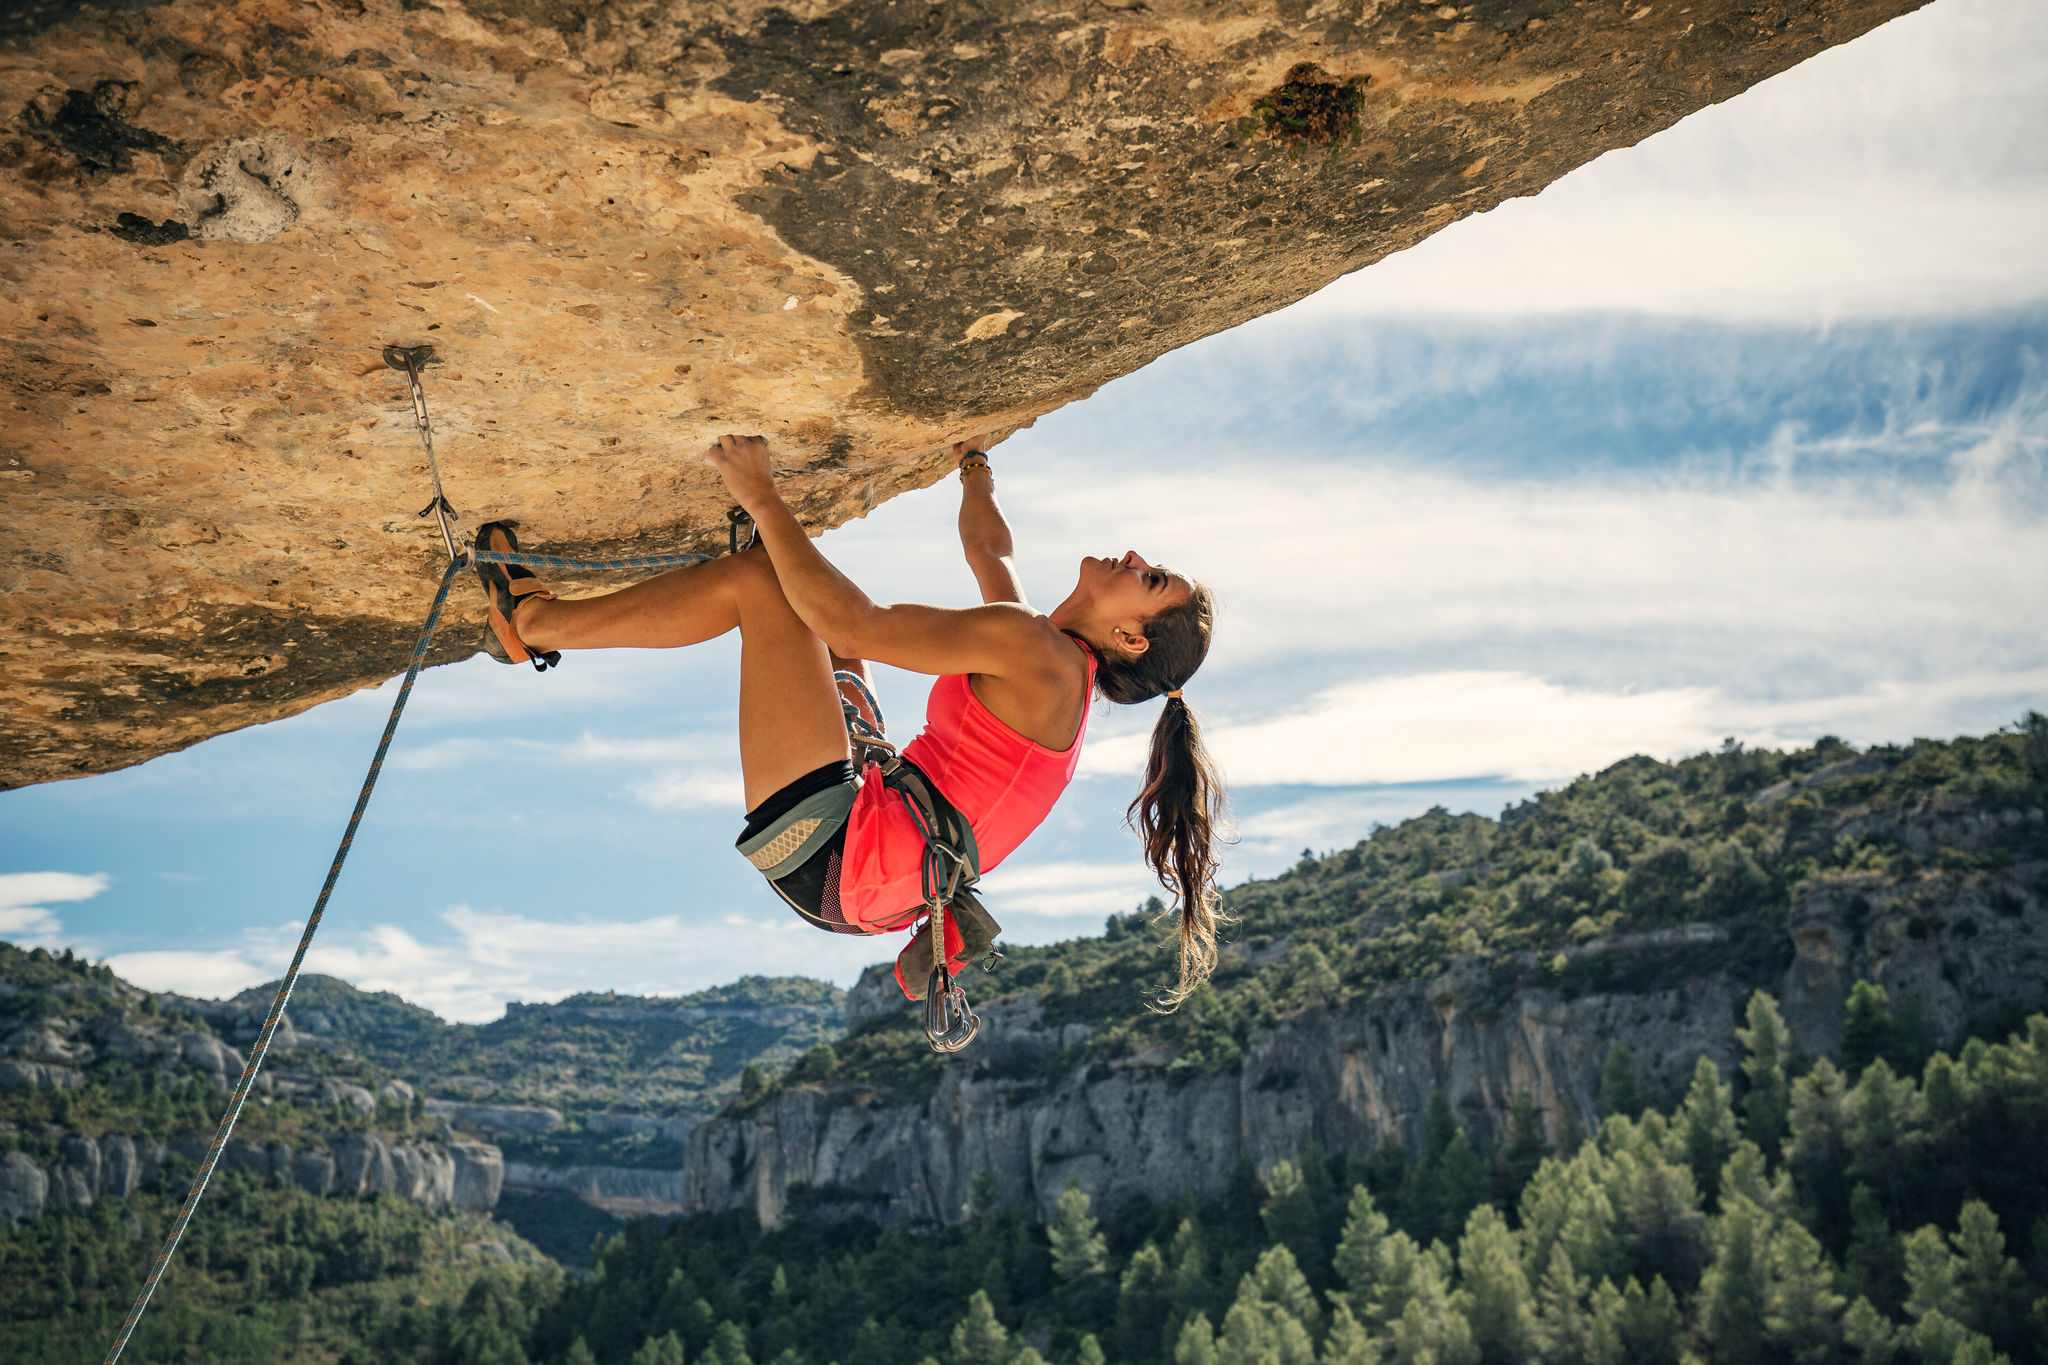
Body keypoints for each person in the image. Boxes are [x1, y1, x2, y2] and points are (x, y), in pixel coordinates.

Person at [473, 435, 1225, 1004]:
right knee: (807, 604)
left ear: (1131, 637)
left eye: (1149, 578)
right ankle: (697, 571)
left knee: (764, 584)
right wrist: (974, 464)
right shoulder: (1044, 649)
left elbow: (860, 624)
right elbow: (988, 548)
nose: (1133, 557)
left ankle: (534, 623)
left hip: (837, 853)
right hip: (871, 863)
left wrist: (765, 498)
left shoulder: (1040, 656)